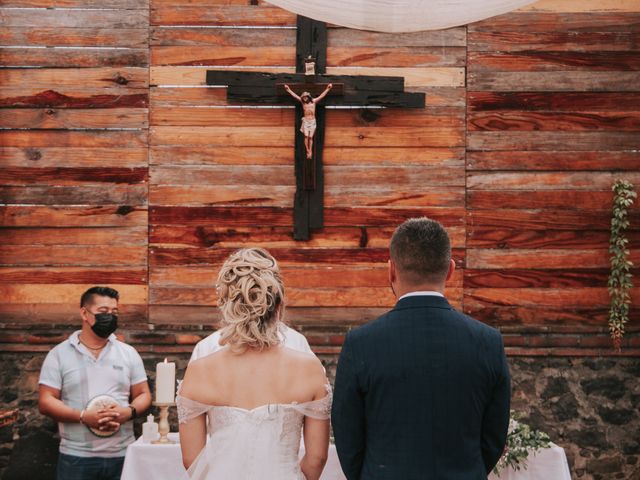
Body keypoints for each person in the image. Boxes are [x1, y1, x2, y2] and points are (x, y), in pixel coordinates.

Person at [332, 218, 511, 480]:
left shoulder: (361, 343)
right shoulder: (488, 341)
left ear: (391, 270)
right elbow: (493, 437)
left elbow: (348, 438)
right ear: (450, 270)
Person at [178, 248, 331, 480]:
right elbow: (317, 458)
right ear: (278, 306)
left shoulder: (200, 370)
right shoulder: (309, 368)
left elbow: (192, 460)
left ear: (226, 305)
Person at [38, 286, 152, 480]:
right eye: (103, 312)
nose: (110, 317)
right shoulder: (59, 354)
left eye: (114, 312)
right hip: (76, 456)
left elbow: (143, 394)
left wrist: (128, 412)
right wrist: (83, 416)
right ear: (84, 313)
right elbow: (46, 401)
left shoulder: (128, 353)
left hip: (123, 455)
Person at [284, 83, 333, 159]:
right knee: (306, 136)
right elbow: (295, 96)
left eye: (305, 97)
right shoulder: (303, 103)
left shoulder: (313, 101)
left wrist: (328, 88)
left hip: (312, 121)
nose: (304, 99)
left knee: (310, 137)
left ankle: (310, 150)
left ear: (308, 97)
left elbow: (321, 96)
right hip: (306, 121)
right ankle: (308, 150)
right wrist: (288, 90)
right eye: (303, 97)